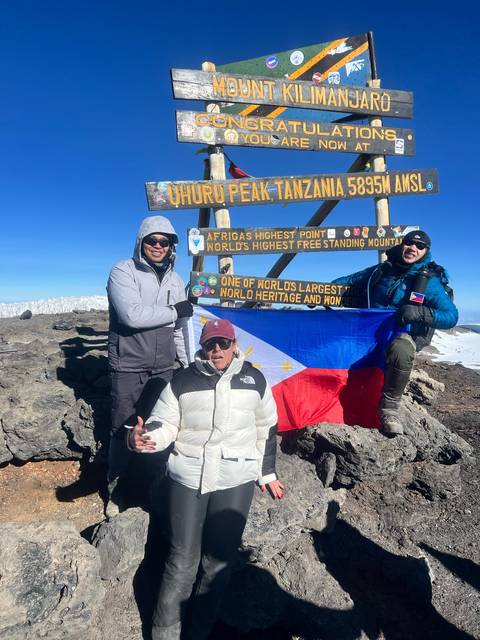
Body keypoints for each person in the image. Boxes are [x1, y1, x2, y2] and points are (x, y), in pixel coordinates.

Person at [129, 318, 284, 640]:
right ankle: (164, 634)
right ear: (201, 347)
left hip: (236, 478)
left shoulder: (254, 379)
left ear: (234, 344)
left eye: (223, 344)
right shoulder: (182, 381)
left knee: (218, 564)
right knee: (181, 560)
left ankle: (198, 632)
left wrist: (267, 472)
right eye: (210, 344)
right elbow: (163, 423)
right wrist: (145, 439)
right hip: (188, 477)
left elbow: (266, 427)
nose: (216, 350)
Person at [106, 215, 193, 517]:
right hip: (128, 365)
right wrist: (174, 310)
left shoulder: (176, 280)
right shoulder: (123, 271)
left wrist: (191, 363)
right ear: (141, 242)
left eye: (164, 242)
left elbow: (180, 327)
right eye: (151, 240)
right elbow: (132, 315)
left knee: (157, 426)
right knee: (123, 427)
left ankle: (151, 484)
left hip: (163, 368)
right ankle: (116, 489)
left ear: (171, 247)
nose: (157, 246)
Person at [333, 229, 458, 436]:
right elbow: (351, 279)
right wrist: (323, 294)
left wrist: (419, 313)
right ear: (403, 244)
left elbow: (451, 316)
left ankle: (389, 411)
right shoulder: (383, 270)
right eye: (410, 243)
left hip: (402, 334)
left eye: (420, 246)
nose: (413, 248)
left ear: (426, 251)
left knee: (401, 350)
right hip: (368, 331)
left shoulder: (428, 281)